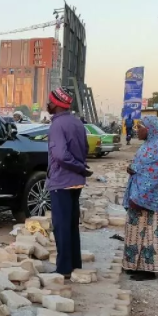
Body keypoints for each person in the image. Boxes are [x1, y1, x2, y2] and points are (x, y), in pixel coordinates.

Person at [122, 116, 158, 281]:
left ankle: (149, 269)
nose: (137, 129)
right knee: (136, 231)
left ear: (151, 128)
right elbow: (143, 166)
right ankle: (134, 265)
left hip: (152, 198)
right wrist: (134, 169)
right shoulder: (148, 145)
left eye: (140, 126)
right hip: (138, 194)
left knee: (150, 233)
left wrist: (141, 191)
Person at [46, 87, 91, 277]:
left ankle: (63, 269)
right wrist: (80, 168)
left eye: (49, 101)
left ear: (56, 104)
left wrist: (78, 167)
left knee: (61, 225)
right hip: (75, 182)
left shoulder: (57, 125)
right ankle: (74, 264)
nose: (47, 104)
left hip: (62, 181)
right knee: (71, 224)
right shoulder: (77, 123)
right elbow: (85, 148)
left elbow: (60, 155)